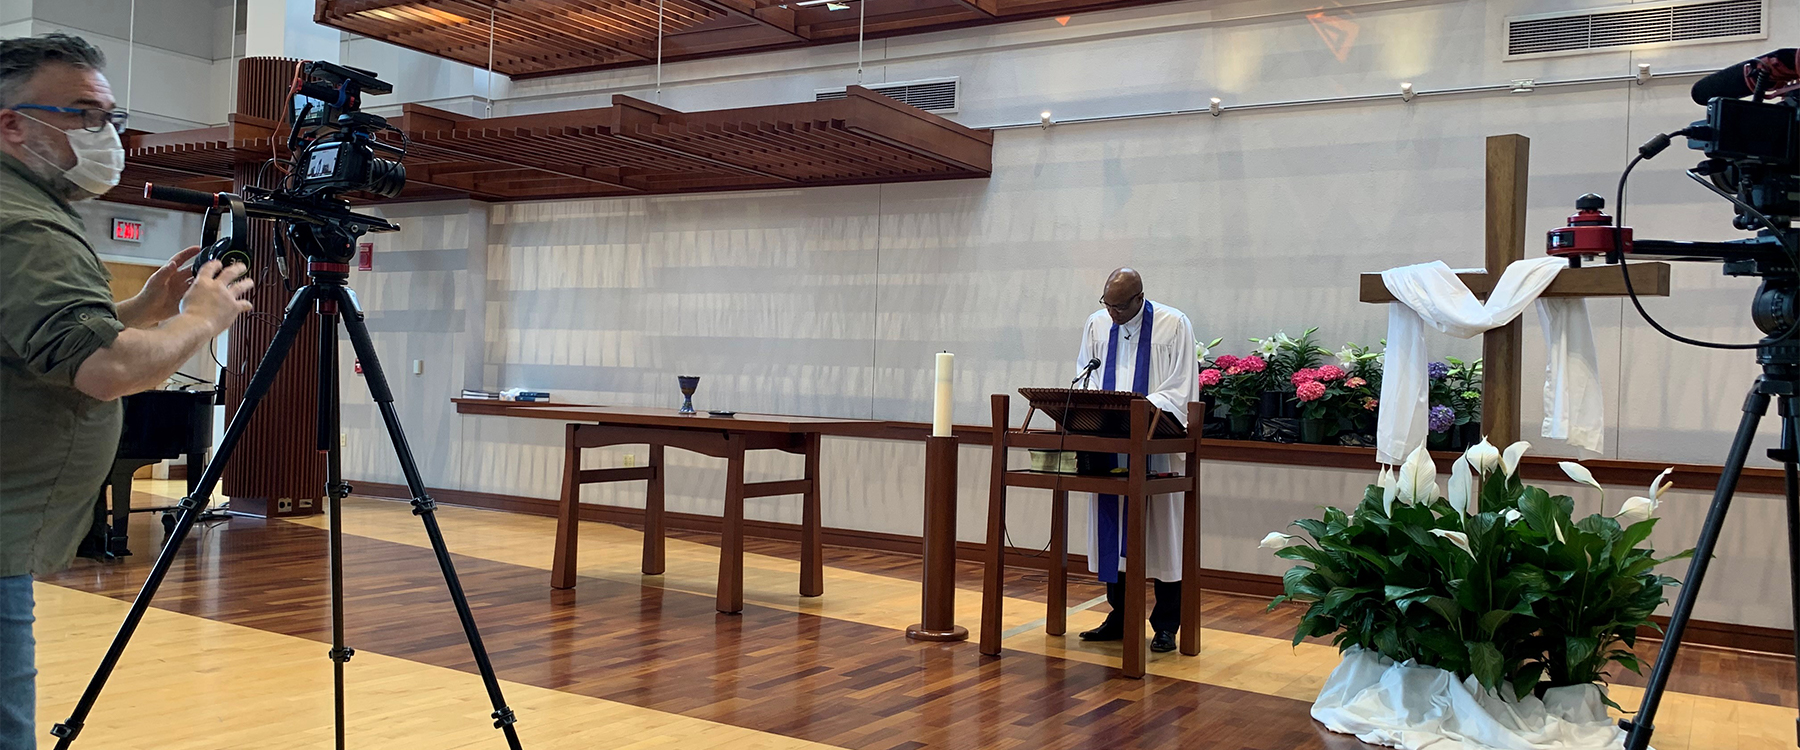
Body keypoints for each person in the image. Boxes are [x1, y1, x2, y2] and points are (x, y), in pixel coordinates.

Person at [0, 33, 253, 749]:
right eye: (82, 113)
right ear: (13, 122)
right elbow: (107, 370)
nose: (105, 134)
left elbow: (32, 341)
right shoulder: (26, 226)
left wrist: (147, 308)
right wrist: (203, 319)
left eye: (110, 115)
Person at [1073, 267, 1196, 654]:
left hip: (1157, 445)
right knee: (1113, 531)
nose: (1113, 314)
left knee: (1164, 539)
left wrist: (1141, 411)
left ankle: (1166, 625)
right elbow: (1084, 372)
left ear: (1139, 298)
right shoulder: (1096, 324)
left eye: (1120, 307)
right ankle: (1119, 615)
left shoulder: (1173, 325)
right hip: (1111, 445)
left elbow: (1181, 385)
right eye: (1107, 305)